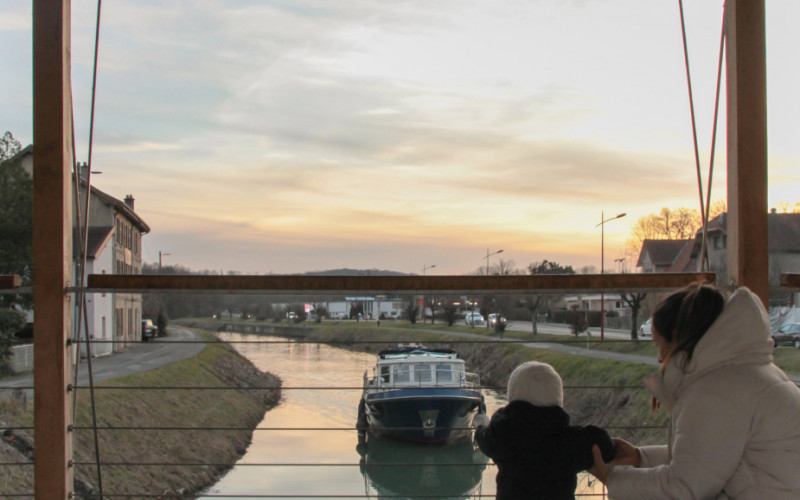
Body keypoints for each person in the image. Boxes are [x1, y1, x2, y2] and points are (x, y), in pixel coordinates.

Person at [590, 284, 800, 499]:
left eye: (658, 344)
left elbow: (684, 488)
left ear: (676, 337)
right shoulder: (746, 375)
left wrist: (613, 479)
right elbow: (712, 457)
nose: (660, 358)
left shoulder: (717, 391)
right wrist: (639, 457)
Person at [475, 361, 616, 500]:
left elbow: (483, 438)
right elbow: (606, 448)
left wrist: (482, 426)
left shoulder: (502, 434)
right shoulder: (570, 441)